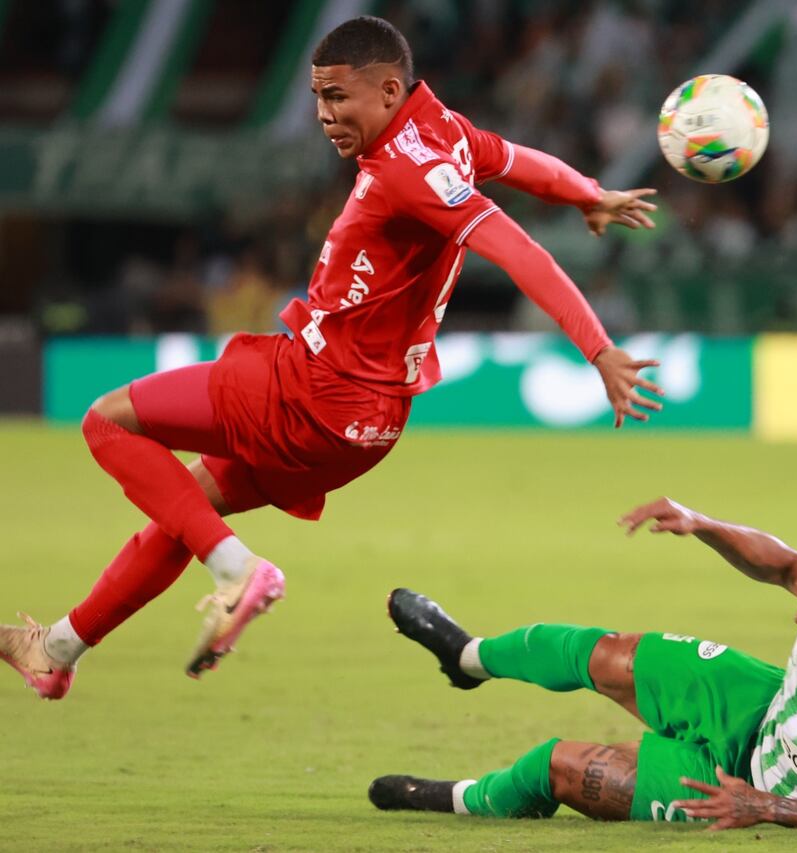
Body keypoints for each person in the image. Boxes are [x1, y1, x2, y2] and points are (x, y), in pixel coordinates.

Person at [0, 16, 665, 700]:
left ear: (386, 89)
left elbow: (518, 249)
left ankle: (236, 572)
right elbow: (523, 162)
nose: (324, 115)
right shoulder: (449, 134)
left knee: (107, 422)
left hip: (311, 392)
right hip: (366, 429)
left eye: (338, 98)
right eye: (318, 99)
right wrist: (590, 192)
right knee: (183, 508)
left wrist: (600, 348)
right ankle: (55, 649)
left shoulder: (412, 168)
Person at [369, 497, 797, 831]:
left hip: (756, 786)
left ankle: (453, 798)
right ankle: (466, 658)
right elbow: (782, 565)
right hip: (763, 709)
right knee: (610, 652)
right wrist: (704, 524)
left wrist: (764, 805)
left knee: (559, 766)